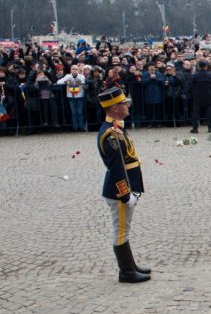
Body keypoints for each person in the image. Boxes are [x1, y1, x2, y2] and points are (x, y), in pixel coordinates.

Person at [96, 86, 150, 283]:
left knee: (124, 228)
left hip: (125, 187)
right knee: (120, 230)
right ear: (114, 108)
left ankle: (131, 265)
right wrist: (126, 194)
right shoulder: (111, 134)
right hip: (118, 191)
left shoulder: (116, 128)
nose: (128, 105)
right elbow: (117, 168)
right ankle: (126, 271)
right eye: (123, 103)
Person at [56, 64, 86, 131]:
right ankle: (75, 127)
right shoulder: (68, 76)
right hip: (71, 96)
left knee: (80, 112)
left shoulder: (81, 76)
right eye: (73, 69)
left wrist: (75, 82)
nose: (74, 70)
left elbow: (83, 82)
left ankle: (81, 126)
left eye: (76, 69)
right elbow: (59, 82)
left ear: (78, 70)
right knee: (74, 112)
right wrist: (67, 81)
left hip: (79, 96)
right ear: (70, 70)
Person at [190, 60, 211, 133]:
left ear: (199, 67)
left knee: (196, 112)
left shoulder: (195, 75)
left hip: (198, 96)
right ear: (206, 66)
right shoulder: (210, 74)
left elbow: (192, 86)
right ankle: (210, 127)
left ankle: (195, 128)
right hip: (208, 95)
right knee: (209, 112)